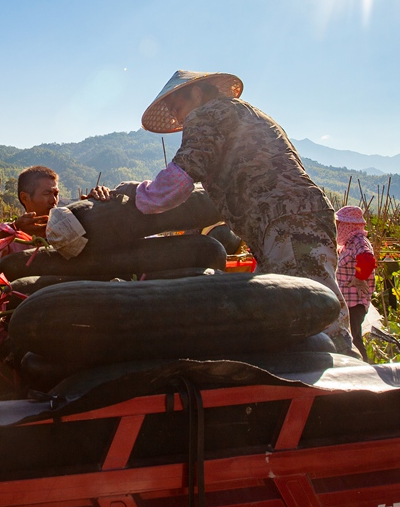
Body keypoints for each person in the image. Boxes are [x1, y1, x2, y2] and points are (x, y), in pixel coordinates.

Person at [87, 69, 356, 356]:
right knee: (293, 316)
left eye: (177, 106)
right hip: (293, 218)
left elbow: (178, 182)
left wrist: (132, 195)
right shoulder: (240, 113)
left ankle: (352, 392)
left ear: (198, 93)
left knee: (317, 315)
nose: (178, 117)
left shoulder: (207, 114)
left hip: (288, 221)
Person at [0, 166, 61, 264]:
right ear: (25, 198)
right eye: (46, 194)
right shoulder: (11, 232)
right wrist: (13, 229)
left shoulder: (66, 229)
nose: (53, 200)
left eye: (56, 194)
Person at [335, 205, 376, 362]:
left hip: (355, 301)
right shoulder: (349, 244)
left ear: (349, 225)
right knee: (349, 337)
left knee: (353, 338)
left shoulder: (359, 240)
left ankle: (363, 370)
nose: (337, 227)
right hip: (347, 300)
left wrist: (360, 278)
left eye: (340, 224)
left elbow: (367, 258)